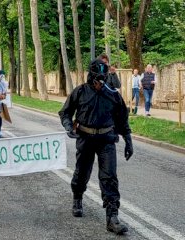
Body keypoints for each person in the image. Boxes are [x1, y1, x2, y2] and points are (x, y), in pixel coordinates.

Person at [59, 58, 133, 235]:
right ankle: (77, 197)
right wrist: (69, 126)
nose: (100, 81)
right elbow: (65, 112)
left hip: (106, 139)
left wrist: (128, 139)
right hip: (85, 138)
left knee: (109, 177)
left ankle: (112, 217)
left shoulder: (113, 94)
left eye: (103, 76)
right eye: (97, 76)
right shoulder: (80, 92)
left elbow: (122, 119)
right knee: (82, 172)